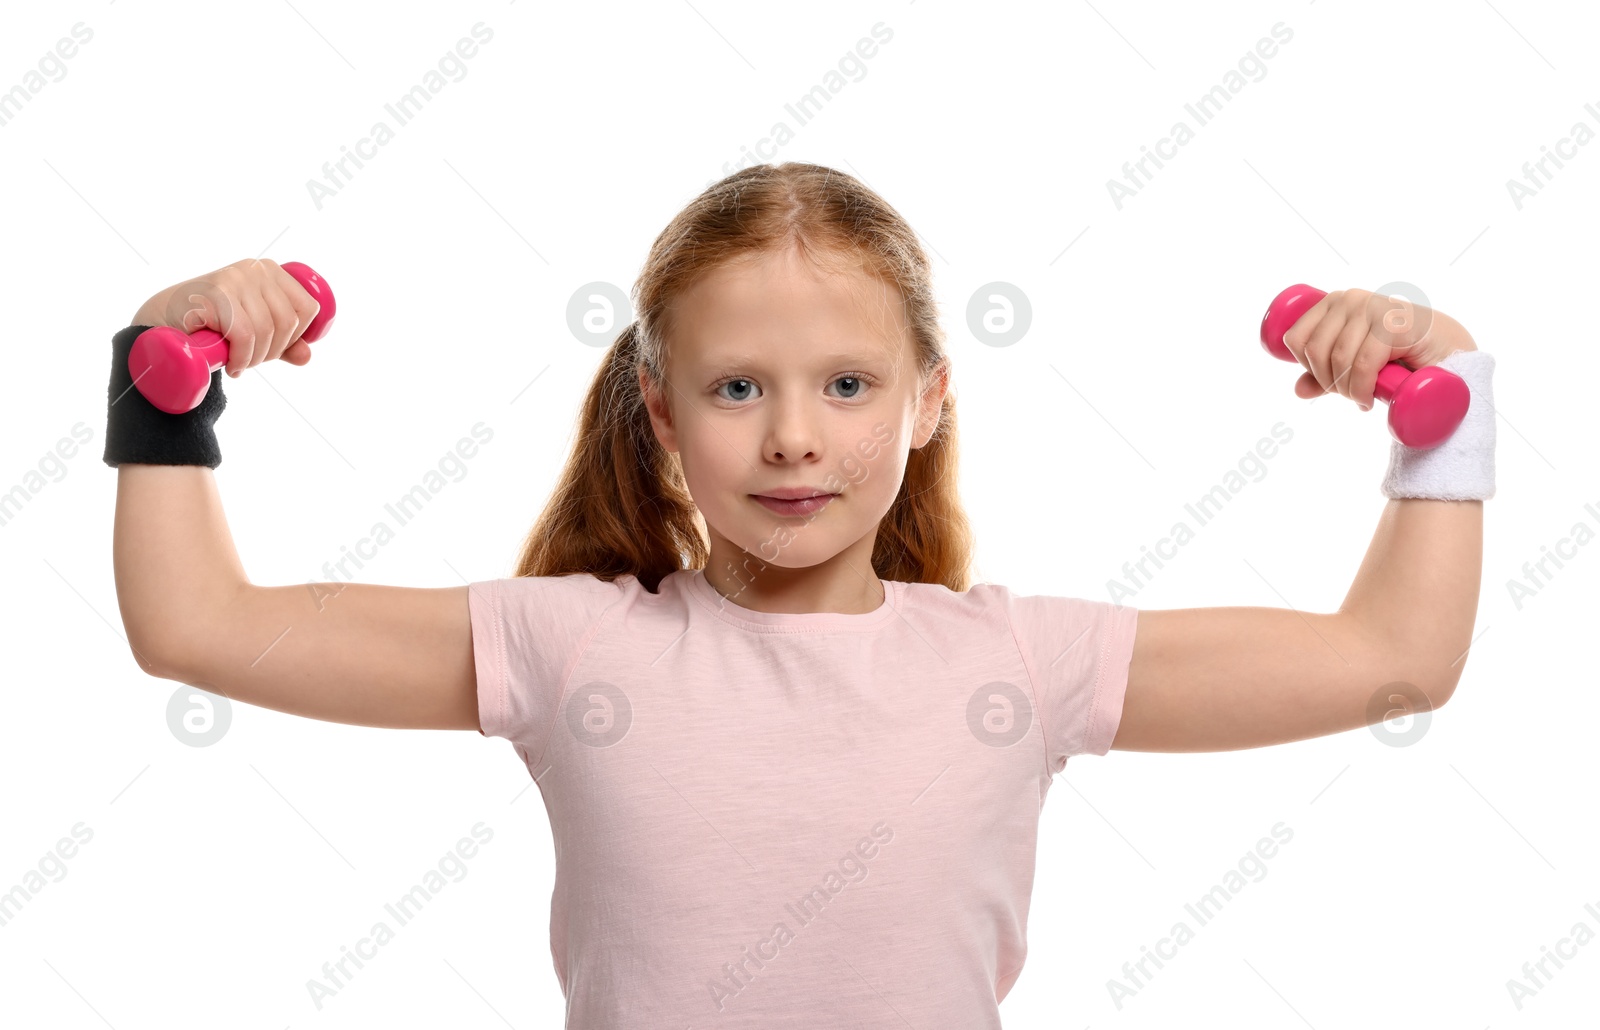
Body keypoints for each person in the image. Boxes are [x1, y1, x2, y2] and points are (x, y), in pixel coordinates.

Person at [106, 162, 1490, 1026]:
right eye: (734, 388)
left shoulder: (1019, 661)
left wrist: (1450, 402)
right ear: (658, 409)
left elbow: (1393, 657)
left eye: (846, 384)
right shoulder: (570, 641)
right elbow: (198, 625)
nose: (791, 438)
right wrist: (162, 372)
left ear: (929, 400)